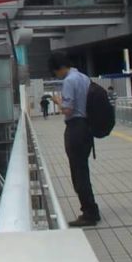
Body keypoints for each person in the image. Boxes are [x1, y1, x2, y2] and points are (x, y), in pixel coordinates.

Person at [50, 52, 100, 227]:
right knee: (83, 170)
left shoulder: (69, 81)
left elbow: (68, 109)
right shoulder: (83, 77)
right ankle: (91, 209)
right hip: (86, 127)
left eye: (55, 72)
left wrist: (58, 101)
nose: (57, 75)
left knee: (78, 172)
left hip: (75, 127)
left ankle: (89, 212)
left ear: (60, 68)